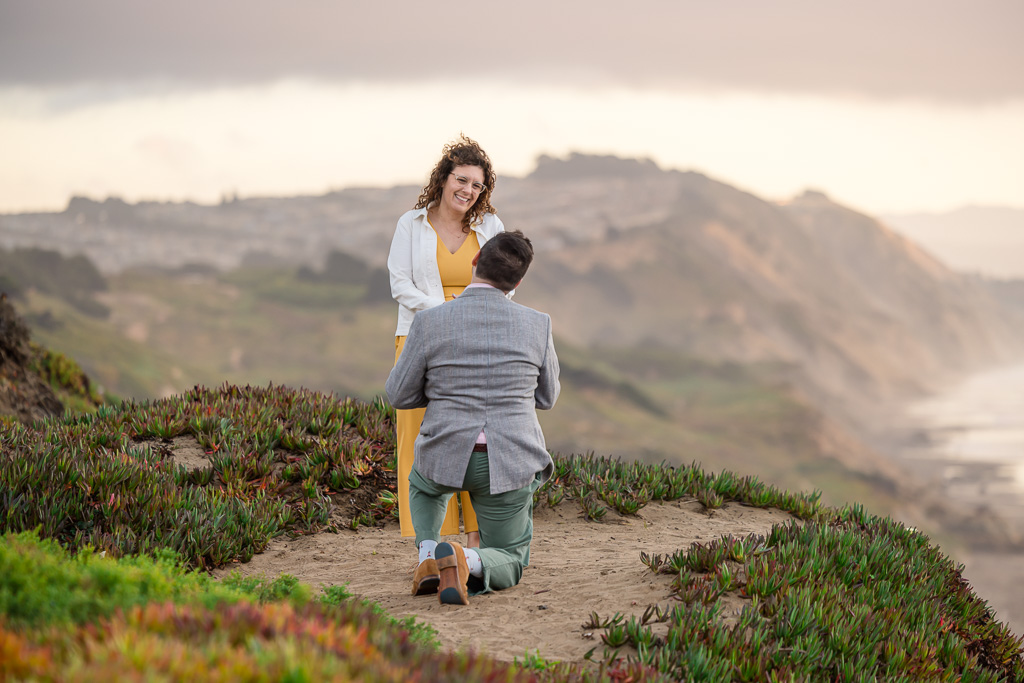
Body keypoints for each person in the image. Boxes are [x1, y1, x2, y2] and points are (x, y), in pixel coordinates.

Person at [385, 230, 560, 605]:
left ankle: (430, 553)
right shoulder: (538, 324)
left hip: (444, 450)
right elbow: (547, 397)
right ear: (518, 281)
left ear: (475, 258)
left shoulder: (430, 321)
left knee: (424, 485)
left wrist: (439, 394)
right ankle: (467, 559)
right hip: (509, 460)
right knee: (511, 557)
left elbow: (398, 394)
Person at [387, 136, 505, 548]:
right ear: (443, 178)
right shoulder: (411, 224)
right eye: (462, 180)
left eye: (477, 185)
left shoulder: (491, 227)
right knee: (419, 438)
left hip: (475, 342)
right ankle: (429, 543)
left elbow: (505, 284)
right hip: (420, 338)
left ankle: (475, 539)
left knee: (475, 438)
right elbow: (399, 284)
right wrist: (443, 313)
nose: (468, 191)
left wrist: (469, 314)